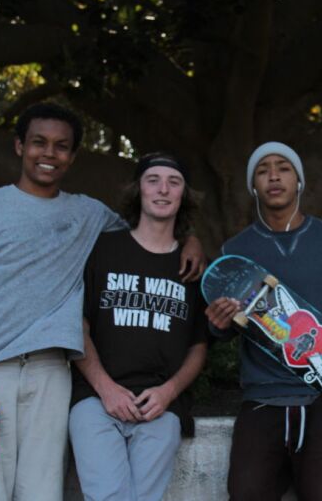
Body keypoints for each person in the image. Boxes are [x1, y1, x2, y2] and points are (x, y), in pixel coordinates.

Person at [0, 103, 204, 501]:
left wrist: (192, 241)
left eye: (61, 146)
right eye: (39, 143)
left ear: (72, 156)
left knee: (41, 492)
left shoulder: (89, 215)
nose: (49, 154)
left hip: (51, 370)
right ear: (20, 146)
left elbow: (153, 231)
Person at [205, 142, 322, 501]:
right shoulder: (235, 250)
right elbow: (220, 332)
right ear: (254, 185)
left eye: (283, 168)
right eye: (263, 170)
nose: (274, 176)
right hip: (262, 400)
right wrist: (218, 323)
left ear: (299, 181)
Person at [69, 153, 207, 501]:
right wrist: (105, 388)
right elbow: (78, 326)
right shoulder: (103, 249)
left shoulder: (194, 268)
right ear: (138, 190)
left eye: (173, 182)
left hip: (160, 405)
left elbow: (199, 345)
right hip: (95, 400)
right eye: (152, 180)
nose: (163, 189)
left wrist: (169, 392)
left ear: (183, 195)